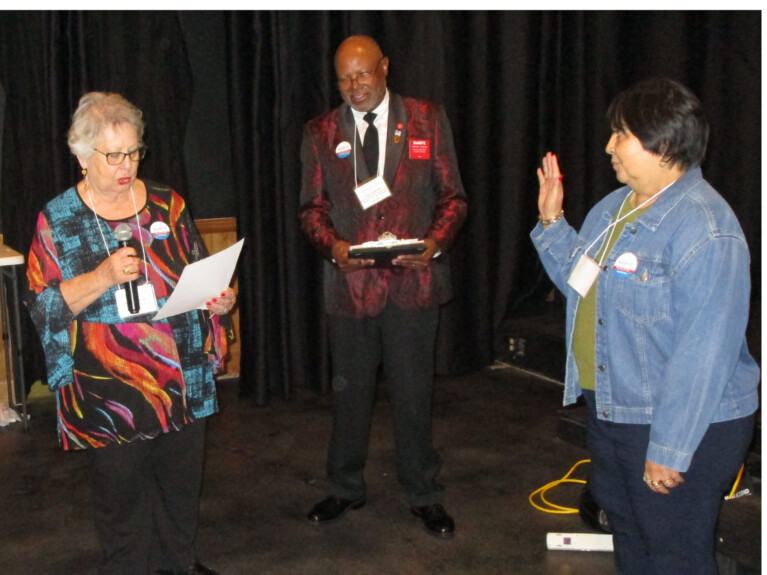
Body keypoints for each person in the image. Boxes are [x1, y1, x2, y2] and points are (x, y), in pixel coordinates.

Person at [532, 78, 759, 574]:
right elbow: (583, 282)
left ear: (663, 144)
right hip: (614, 410)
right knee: (631, 540)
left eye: (621, 134)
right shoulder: (612, 209)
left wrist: (670, 449)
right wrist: (552, 224)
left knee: (675, 556)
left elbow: (705, 354)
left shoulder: (706, 228)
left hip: (678, 424)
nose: (608, 146)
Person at [26, 92, 236, 575]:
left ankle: (177, 563)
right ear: (81, 156)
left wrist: (220, 300)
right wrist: (101, 277)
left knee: (180, 489)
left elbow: (199, 271)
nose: (127, 166)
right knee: (121, 499)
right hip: (109, 385)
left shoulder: (167, 202)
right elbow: (45, 308)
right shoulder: (58, 219)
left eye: (134, 151)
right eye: (113, 155)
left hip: (180, 373)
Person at [299, 35, 467, 538]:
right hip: (349, 287)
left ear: (385, 68)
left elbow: (453, 198)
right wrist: (334, 249)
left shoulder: (426, 119)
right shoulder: (320, 131)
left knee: (414, 395)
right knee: (349, 396)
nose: (353, 86)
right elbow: (312, 209)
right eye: (344, 78)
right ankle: (346, 487)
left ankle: (424, 493)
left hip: (414, 284)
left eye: (363, 75)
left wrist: (435, 244)